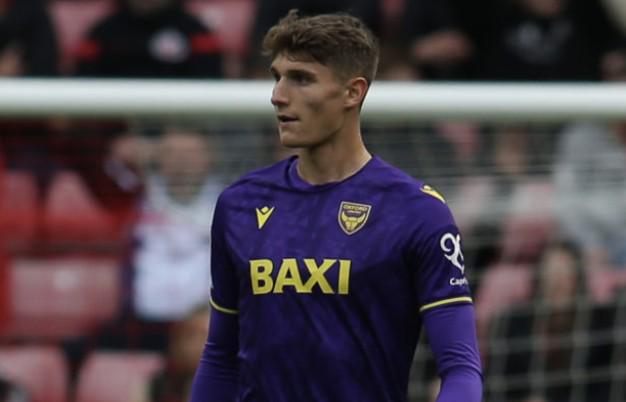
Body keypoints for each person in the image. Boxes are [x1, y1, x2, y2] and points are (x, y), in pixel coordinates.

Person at [190, 10, 482, 402]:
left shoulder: (416, 211)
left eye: (301, 79)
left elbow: (461, 368)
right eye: (278, 77)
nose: (278, 95)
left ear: (353, 92)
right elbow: (221, 356)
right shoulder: (239, 204)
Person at [74, 0, 223, 78]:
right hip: (114, 121)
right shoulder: (103, 31)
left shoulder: (195, 31)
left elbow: (210, 84)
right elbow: (83, 84)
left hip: (181, 121)